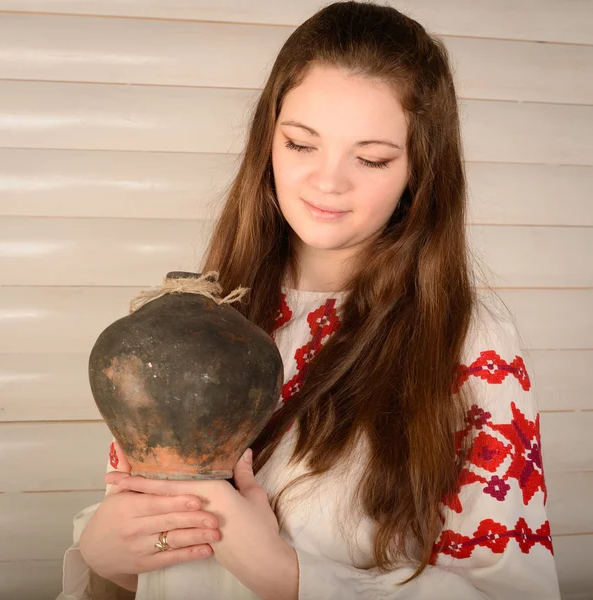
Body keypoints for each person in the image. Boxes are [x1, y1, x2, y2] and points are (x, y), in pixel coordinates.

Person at [57, 2, 561, 599]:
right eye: (301, 145)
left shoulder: (467, 341)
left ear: (419, 171)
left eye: (371, 158)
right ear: (267, 140)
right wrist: (105, 559)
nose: (328, 182)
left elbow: (515, 592)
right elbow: (158, 555)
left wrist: (285, 575)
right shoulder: (198, 322)